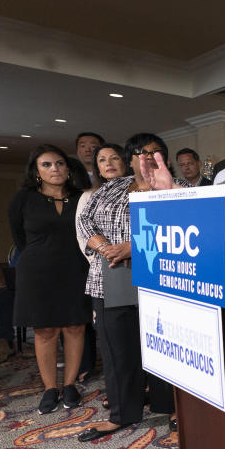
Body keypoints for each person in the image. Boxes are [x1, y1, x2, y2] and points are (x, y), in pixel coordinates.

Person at [76, 133, 184, 441]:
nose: (147, 158)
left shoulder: (179, 189)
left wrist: (133, 248)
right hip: (109, 279)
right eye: (140, 153)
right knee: (117, 351)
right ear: (130, 158)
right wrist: (104, 247)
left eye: (155, 152)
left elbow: (186, 230)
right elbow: (85, 221)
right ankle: (122, 413)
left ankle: (172, 407)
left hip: (164, 282)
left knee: (166, 348)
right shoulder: (112, 187)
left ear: (165, 157)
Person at [9, 144, 91, 414]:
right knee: (44, 330)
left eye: (59, 163)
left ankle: (69, 385)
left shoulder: (83, 197)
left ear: (68, 169)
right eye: (46, 165)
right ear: (36, 171)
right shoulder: (23, 199)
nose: (54, 169)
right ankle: (49, 388)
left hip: (76, 269)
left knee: (75, 327)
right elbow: (19, 238)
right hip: (37, 272)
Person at [75, 142, 128, 384]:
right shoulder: (92, 195)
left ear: (125, 161)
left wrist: (128, 248)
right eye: (102, 160)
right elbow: (83, 228)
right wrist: (106, 250)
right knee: (112, 342)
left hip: (137, 268)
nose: (108, 164)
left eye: (114, 158)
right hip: (105, 271)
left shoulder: (139, 187)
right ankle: (119, 396)